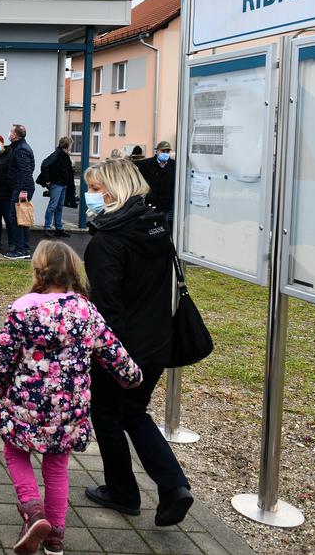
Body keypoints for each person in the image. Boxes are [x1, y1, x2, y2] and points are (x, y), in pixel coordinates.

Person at [0, 240, 142, 555]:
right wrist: (132, 377)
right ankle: (55, 536)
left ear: (38, 270)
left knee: (15, 452)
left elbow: (3, 356)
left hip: (25, 404)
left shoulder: (22, 309)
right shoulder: (86, 310)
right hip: (68, 408)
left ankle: (33, 510)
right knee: (57, 465)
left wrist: (1, 385)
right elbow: (112, 351)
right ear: (74, 271)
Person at [82, 158, 193, 526]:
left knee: (108, 416)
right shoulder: (157, 227)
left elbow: (107, 306)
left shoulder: (107, 242)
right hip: (158, 342)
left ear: (114, 191)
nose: (89, 196)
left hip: (121, 347)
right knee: (134, 413)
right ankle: (174, 486)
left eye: (95, 189)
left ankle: (123, 492)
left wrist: (104, 352)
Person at [6, 123, 36, 260]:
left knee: (16, 218)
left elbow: (26, 171)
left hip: (22, 187)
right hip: (20, 186)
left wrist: (23, 190)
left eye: (11, 131)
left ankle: (20, 250)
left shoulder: (21, 150)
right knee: (21, 217)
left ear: (15, 135)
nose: (9, 133)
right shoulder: (18, 147)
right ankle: (24, 248)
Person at [36, 136, 75, 238]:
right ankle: (47, 228)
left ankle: (59, 228)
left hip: (63, 184)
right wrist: (48, 180)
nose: (71, 147)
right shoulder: (57, 155)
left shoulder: (64, 155)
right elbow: (44, 165)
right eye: (71, 144)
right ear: (67, 145)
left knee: (59, 207)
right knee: (53, 206)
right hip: (57, 184)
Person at [137, 140, 176, 228]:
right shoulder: (146, 164)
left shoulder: (173, 165)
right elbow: (139, 182)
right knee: (149, 229)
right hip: (150, 204)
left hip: (166, 205)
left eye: (167, 151)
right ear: (157, 151)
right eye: (163, 151)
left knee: (163, 229)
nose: (165, 153)